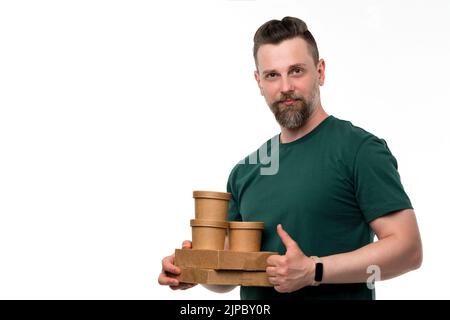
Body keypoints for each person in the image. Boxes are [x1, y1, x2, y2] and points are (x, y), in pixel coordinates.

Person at [158, 16, 422, 300]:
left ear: (320, 71)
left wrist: (314, 270)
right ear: (259, 82)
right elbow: (229, 277)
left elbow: (408, 250)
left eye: (296, 71)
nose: (285, 87)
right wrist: (194, 270)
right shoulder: (245, 170)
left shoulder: (360, 150)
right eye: (272, 75)